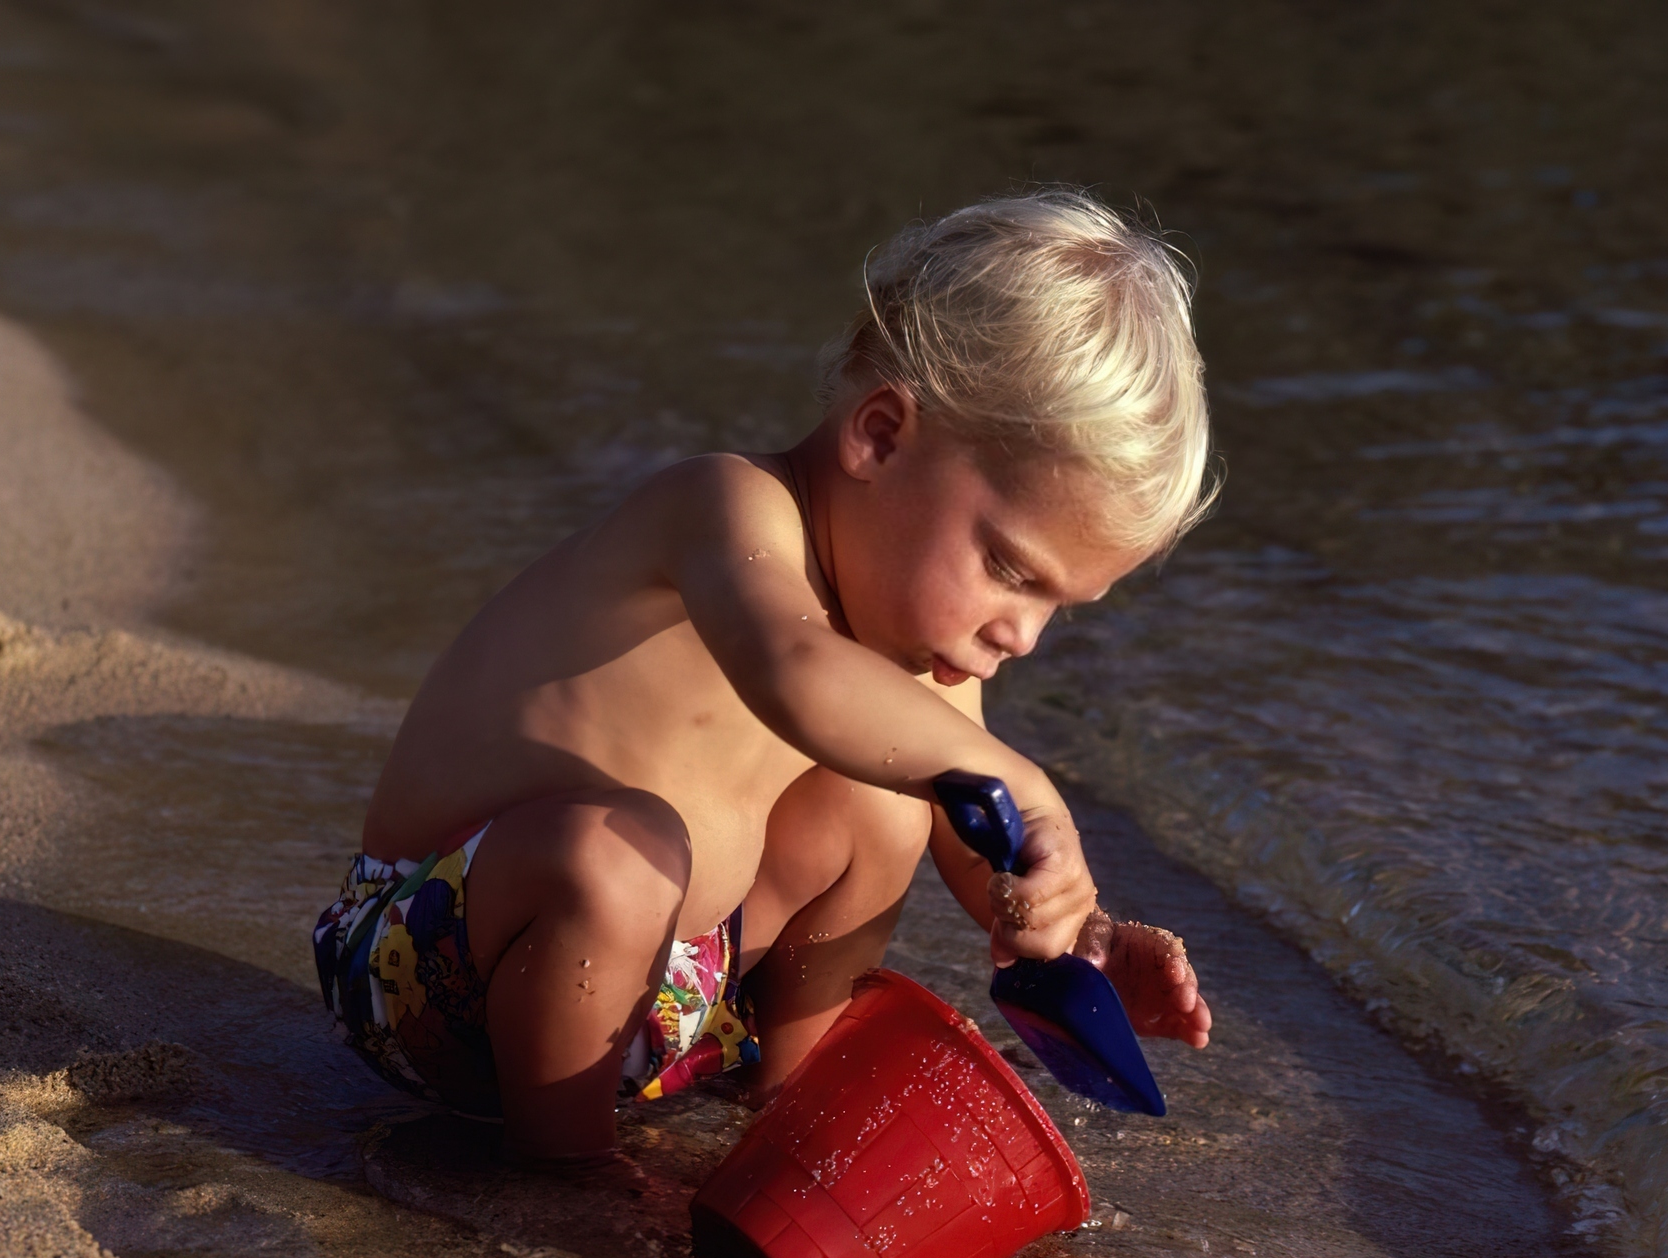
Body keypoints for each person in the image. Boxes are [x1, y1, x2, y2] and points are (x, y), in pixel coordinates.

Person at [313, 187, 1217, 1165]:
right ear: (879, 435)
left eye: (1059, 608)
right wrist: (1033, 789)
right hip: (430, 968)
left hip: (669, 1010)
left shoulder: (919, 646)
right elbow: (794, 670)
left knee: (887, 808)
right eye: (1009, 570)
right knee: (618, 852)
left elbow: (977, 830)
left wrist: (1074, 930)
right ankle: (564, 1177)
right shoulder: (725, 511)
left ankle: (784, 1111)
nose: (1025, 635)